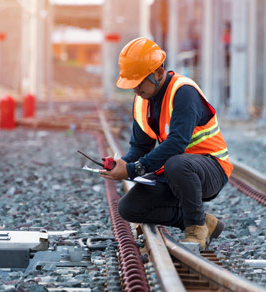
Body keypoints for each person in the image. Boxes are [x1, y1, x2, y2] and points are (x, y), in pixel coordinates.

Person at [99, 37, 233, 249]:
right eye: (132, 84)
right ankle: (204, 221)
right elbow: (140, 147)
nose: (135, 89)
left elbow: (176, 143)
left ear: (159, 73)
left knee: (177, 163)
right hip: (175, 172)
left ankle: (196, 229)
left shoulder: (183, 92)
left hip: (211, 168)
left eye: (139, 82)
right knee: (129, 208)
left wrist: (135, 169)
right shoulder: (143, 101)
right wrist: (121, 164)